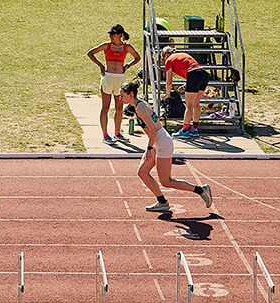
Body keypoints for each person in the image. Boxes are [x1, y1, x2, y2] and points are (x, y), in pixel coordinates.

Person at [119, 81, 213, 213]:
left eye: (122, 96)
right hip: (157, 142)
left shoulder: (140, 108)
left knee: (166, 181)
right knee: (142, 172)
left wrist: (149, 149)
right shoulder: (139, 104)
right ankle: (162, 201)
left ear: (130, 94)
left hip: (162, 143)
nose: (120, 98)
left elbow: (153, 130)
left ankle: (201, 190)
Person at [87, 25, 141, 141]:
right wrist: (100, 65)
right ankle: (105, 135)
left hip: (120, 78)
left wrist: (128, 66)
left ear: (119, 35)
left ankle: (117, 133)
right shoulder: (106, 45)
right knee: (105, 107)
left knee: (119, 108)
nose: (111, 36)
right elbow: (90, 53)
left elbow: (137, 57)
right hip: (108, 77)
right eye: (110, 34)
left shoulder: (127, 47)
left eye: (113, 34)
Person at [162, 46, 211, 139]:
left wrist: (167, 94)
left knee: (189, 106)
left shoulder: (169, 60)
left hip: (194, 76)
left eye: (164, 58)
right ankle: (194, 129)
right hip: (203, 74)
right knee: (196, 104)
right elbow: (194, 70)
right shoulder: (182, 54)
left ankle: (184, 131)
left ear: (166, 55)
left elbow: (169, 82)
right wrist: (185, 86)